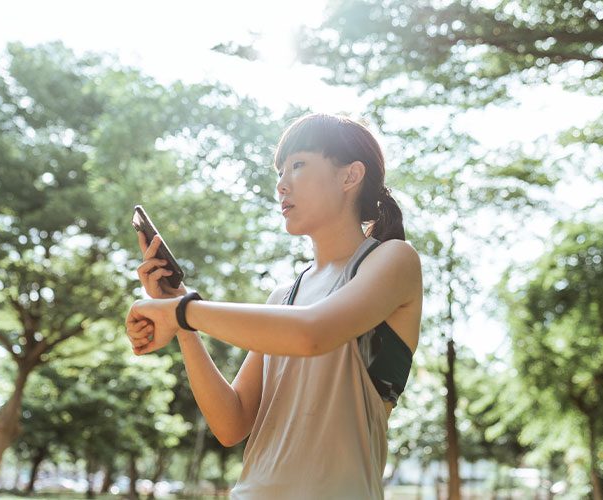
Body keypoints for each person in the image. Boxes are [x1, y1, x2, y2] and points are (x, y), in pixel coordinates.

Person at [125, 112, 423, 499]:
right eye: (280, 172)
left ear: (350, 176)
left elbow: (312, 333)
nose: (281, 184)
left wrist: (182, 311)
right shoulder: (284, 297)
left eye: (298, 165)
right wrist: (183, 322)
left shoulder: (394, 261)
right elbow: (231, 424)